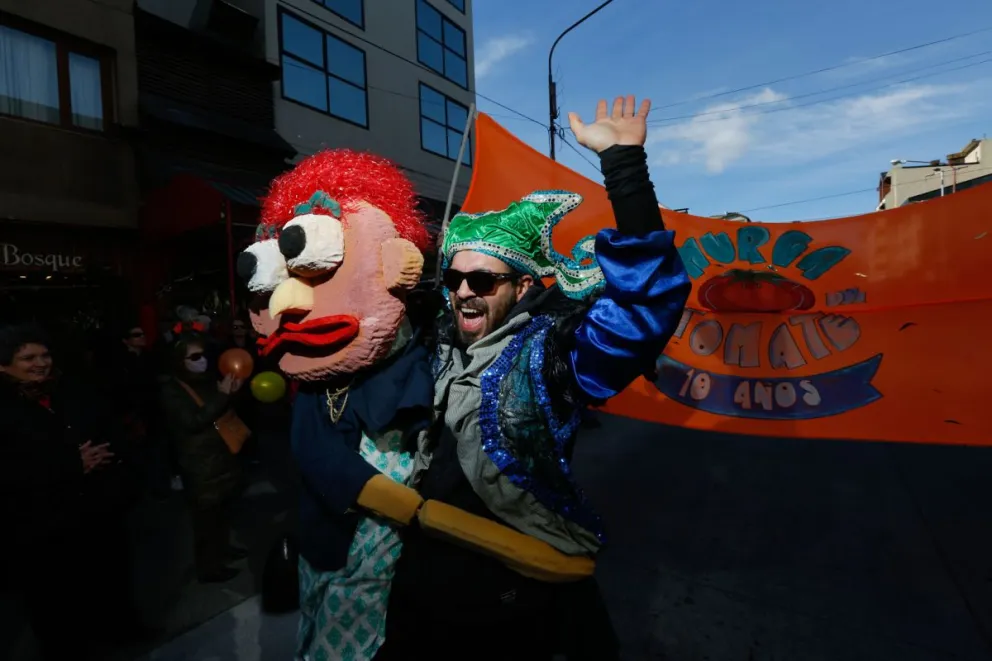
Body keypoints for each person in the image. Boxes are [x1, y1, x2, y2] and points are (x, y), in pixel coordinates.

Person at [380, 95, 691, 660]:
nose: (465, 290)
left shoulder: (554, 354)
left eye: (484, 279)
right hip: (424, 575)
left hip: (517, 587)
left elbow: (646, 306)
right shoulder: (435, 343)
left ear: (523, 287)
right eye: (455, 277)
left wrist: (624, 163)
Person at [0, 323, 139, 659]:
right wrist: (71, 465)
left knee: (103, 579)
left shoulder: (69, 390)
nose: (40, 363)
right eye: (28, 357)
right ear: (3, 364)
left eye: (45, 354)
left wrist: (111, 454)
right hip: (40, 524)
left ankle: (119, 631)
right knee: (53, 599)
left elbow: (107, 426)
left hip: (95, 507)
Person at [159, 333, 247, 583]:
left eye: (203, 355)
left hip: (221, 457)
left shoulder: (207, 380)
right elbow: (193, 421)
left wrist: (231, 394)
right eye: (194, 357)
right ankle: (209, 568)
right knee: (205, 521)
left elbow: (222, 412)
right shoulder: (172, 390)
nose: (202, 361)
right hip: (199, 464)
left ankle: (224, 550)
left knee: (222, 513)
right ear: (180, 361)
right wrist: (223, 396)